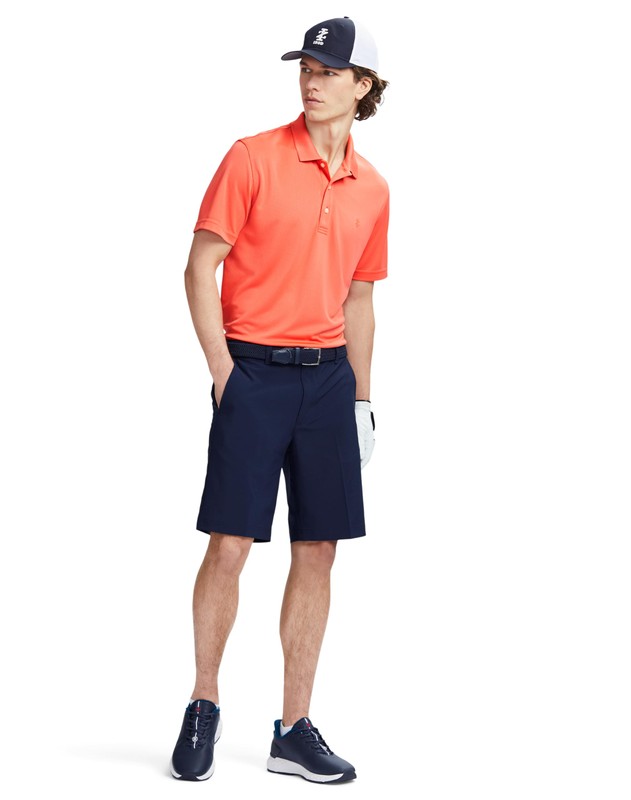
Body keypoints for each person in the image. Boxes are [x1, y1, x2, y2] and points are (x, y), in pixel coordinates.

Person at [170, 16, 390, 785]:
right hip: (253, 373)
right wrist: (223, 371)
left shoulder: (373, 188)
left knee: (319, 550)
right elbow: (200, 267)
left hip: (328, 382)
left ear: (363, 86)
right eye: (306, 67)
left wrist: (362, 401)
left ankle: (293, 729)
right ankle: (203, 703)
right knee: (230, 544)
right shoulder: (252, 158)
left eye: (328, 71)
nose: (311, 80)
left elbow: (360, 300)